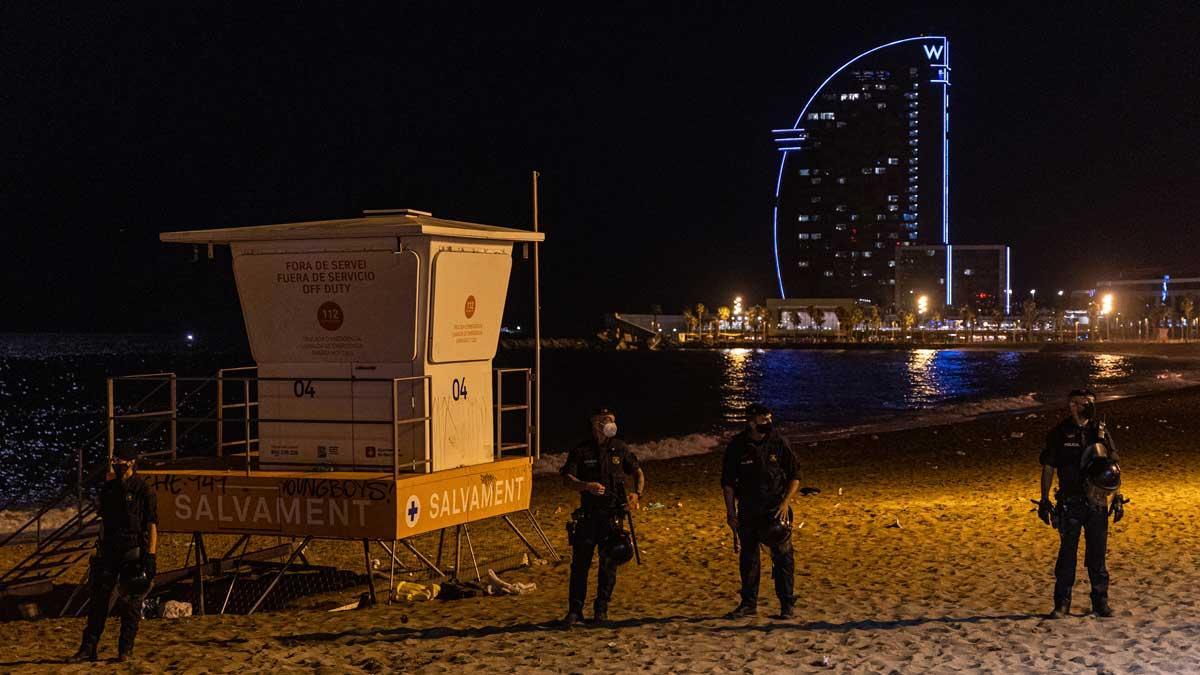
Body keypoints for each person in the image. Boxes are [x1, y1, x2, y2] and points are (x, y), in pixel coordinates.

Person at [1037, 388, 1124, 619]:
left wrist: (1117, 498)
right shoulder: (1059, 433)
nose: (1086, 406)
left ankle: (1100, 602)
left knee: (1097, 556)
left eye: (1088, 402)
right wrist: (1044, 500)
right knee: (1067, 555)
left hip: (1097, 502)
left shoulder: (1101, 432)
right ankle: (1062, 604)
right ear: (1072, 405)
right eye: (1081, 403)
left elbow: (1113, 467)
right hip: (1070, 501)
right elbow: (1048, 467)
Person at [70, 446, 158, 662]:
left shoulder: (143, 490)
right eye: (114, 460)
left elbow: (152, 525)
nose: (117, 464)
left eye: (121, 460)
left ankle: (125, 650)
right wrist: (98, 549)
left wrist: (150, 556)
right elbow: (103, 523)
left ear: (132, 462)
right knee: (99, 600)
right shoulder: (108, 489)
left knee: (131, 602)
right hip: (109, 549)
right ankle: (88, 649)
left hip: (132, 549)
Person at [559, 407, 645, 627]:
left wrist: (637, 494)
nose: (610, 423)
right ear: (595, 423)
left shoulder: (620, 448)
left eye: (613, 420)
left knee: (609, 565)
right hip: (588, 517)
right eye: (606, 420)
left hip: (612, 517)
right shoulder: (582, 450)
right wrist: (585, 486)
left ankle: (601, 609)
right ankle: (575, 611)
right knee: (580, 566)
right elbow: (567, 478)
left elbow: (637, 472)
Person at [721, 403, 800, 619]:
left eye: (769, 418)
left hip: (775, 509)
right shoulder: (738, 446)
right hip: (748, 509)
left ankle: (786, 604)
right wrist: (731, 514)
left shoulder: (779, 442)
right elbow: (727, 483)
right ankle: (748, 603)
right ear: (751, 421)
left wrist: (785, 503)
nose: (768, 423)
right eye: (763, 419)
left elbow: (795, 476)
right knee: (749, 558)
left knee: (783, 556)